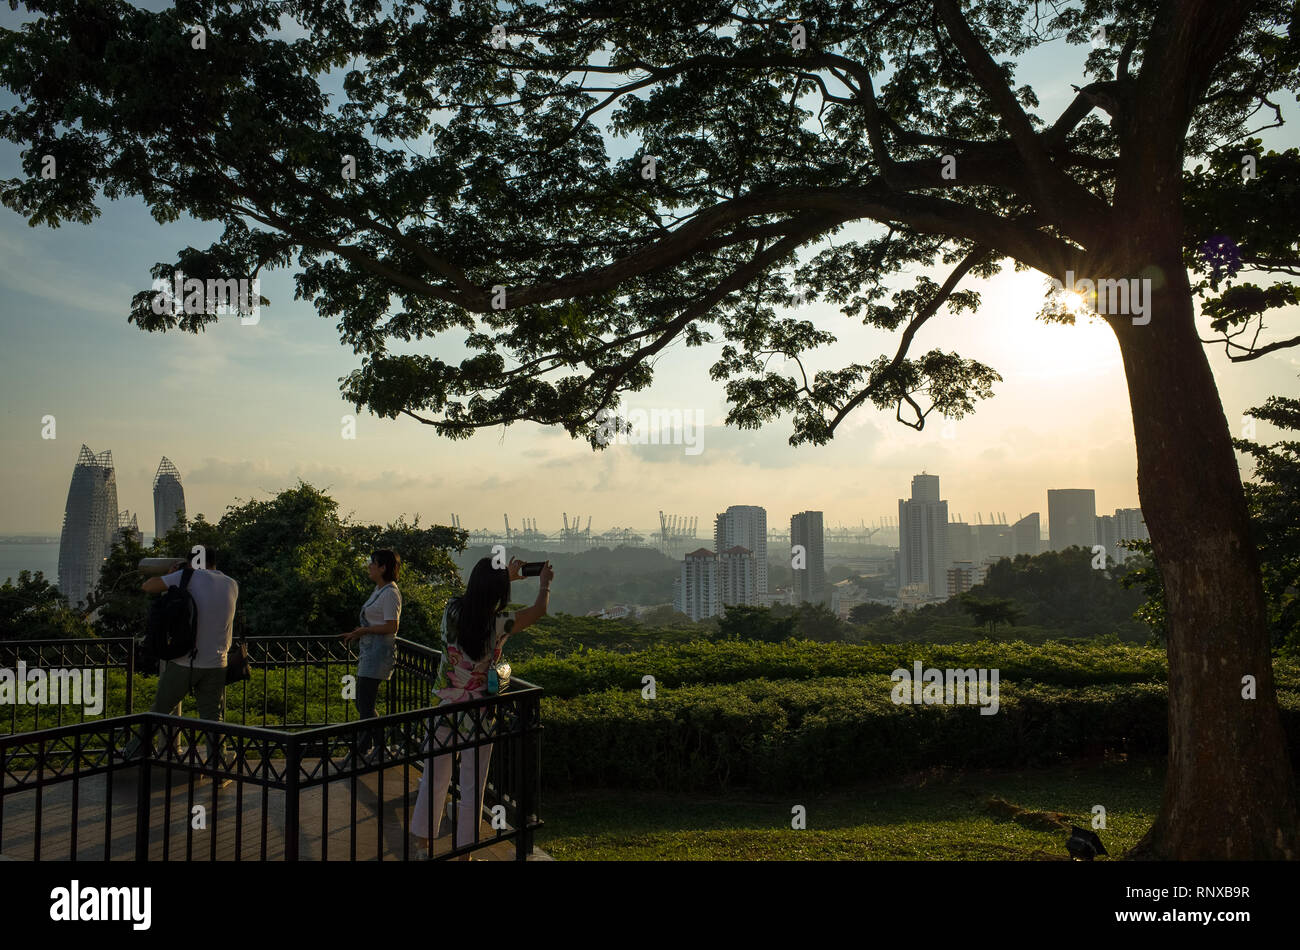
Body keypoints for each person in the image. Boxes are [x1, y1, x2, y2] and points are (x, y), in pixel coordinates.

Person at [410, 556, 553, 858]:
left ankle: (422, 846)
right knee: (473, 787)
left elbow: (476, 597)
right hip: (478, 715)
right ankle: (466, 853)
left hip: (443, 707)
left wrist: (505, 578)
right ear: (497, 591)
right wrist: (543, 583)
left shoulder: (451, 610)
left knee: (435, 779)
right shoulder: (500, 623)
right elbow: (539, 610)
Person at [124, 550, 239, 775]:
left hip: (186, 662)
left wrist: (172, 574)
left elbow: (148, 586)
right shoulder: (231, 583)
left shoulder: (189, 576)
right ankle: (218, 762)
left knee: (158, 712)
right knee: (213, 718)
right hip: (218, 663)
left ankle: (132, 752)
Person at [341, 550, 402, 760]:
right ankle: (369, 743)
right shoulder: (379, 590)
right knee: (362, 701)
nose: (369, 567)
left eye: (373, 564)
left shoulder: (390, 593)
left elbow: (392, 626)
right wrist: (358, 633)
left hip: (379, 653)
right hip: (371, 651)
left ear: (383, 567)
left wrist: (364, 631)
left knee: (365, 701)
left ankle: (375, 744)